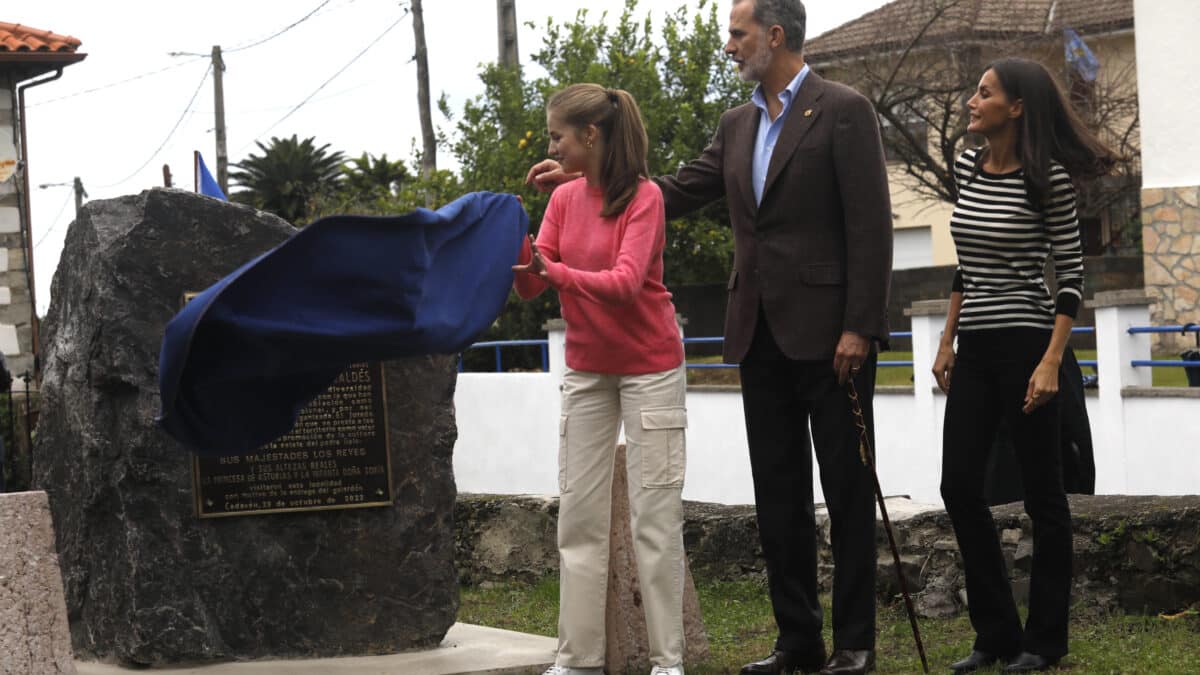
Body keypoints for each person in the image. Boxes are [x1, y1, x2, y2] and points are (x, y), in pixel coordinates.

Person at [528, 2, 892, 673]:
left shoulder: (844, 109)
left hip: (831, 337)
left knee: (845, 489)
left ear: (774, 35)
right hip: (756, 332)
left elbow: (871, 225)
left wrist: (860, 326)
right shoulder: (738, 122)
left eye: (736, 33)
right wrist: (588, 177)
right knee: (778, 494)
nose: (728, 46)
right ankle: (798, 641)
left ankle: (855, 644)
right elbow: (669, 191)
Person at [932, 58, 1117, 673]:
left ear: (1015, 108)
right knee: (959, 486)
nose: (970, 101)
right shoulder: (966, 168)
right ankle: (997, 635)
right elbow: (966, 264)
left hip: (1032, 346)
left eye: (983, 93)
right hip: (978, 350)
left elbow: (1071, 278)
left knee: (1044, 498)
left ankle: (1045, 641)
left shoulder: (1049, 181)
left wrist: (1051, 361)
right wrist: (946, 341)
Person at [515, 83, 688, 675]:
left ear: (591, 136)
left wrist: (554, 269)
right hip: (588, 371)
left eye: (558, 135)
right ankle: (577, 662)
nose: (551, 146)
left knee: (655, 521)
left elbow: (623, 283)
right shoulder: (563, 199)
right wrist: (516, 234)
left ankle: (668, 664)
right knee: (579, 518)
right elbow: (533, 282)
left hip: (652, 368)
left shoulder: (644, 198)